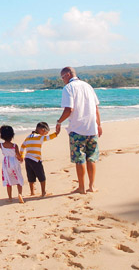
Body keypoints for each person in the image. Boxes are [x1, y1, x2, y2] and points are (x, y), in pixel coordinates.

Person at [55, 66, 102, 194]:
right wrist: (99, 125)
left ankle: (81, 187)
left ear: (68, 74)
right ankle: (91, 186)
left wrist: (59, 122)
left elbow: (69, 109)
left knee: (79, 159)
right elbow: (96, 108)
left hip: (77, 129)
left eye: (63, 77)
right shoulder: (88, 86)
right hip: (91, 128)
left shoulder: (68, 88)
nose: (63, 80)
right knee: (91, 158)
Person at [21, 121, 57, 197]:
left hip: (27, 159)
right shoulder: (40, 137)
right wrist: (57, 133)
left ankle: (32, 192)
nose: (46, 134)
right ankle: (43, 192)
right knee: (41, 176)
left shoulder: (28, 136)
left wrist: (21, 156)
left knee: (30, 176)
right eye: (46, 132)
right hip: (36, 160)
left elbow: (22, 146)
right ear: (43, 130)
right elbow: (50, 137)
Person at [0, 125, 25, 203]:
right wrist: (21, 159)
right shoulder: (14, 146)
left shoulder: (1, 145)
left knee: (8, 180)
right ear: (12, 135)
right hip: (14, 162)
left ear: (2, 136)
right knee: (18, 178)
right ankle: (20, 194)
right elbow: (17, 155)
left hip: (6, 163)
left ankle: (10, 197)